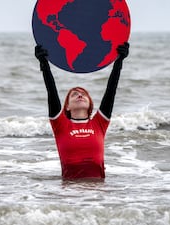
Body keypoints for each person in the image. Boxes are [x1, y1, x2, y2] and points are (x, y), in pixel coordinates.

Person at [35, 42, 129, 180]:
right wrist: (44, 64)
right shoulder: (60, 125)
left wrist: (119, 61)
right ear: (66, 106)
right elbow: (51, 92)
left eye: (84, 94)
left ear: (90, 103)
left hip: (98, 193)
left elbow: (111, 91)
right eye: (74, 94)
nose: (80, 95)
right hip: (70, 192)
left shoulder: (99, 123)